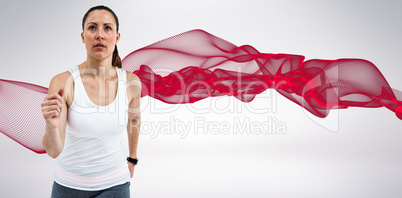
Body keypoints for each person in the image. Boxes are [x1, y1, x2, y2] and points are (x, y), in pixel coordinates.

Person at [41, 5, 141, 198]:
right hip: (68, 187)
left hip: (116, 186)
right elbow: (53, 151)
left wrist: (133, 158)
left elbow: (134, 120)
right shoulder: (63, 82)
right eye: (92, 27)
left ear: (117, 37)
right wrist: (52, 126)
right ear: (83, 36)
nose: (100, 35)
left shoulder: (131, 82)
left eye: (107, 28)